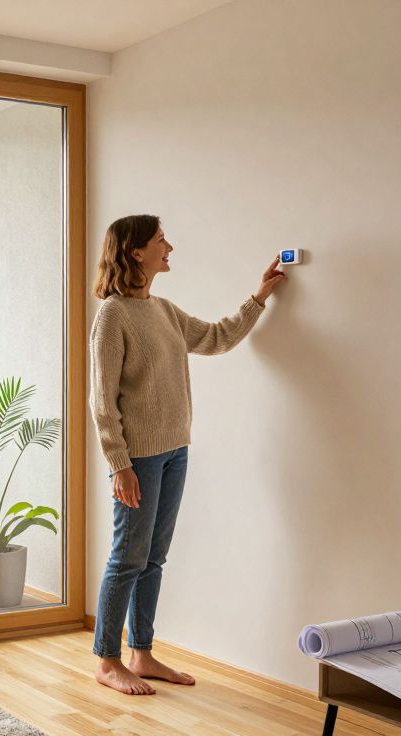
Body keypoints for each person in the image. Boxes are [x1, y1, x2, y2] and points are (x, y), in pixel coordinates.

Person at [88, 215, 286, 696]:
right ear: (137, 252)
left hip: (176, 450)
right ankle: (108, 660)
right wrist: (120, 465)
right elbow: (101, 399)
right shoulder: (112, 315)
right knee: (127, 558)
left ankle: (143, 652)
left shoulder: (163, 310)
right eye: (161, 241)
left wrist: (258, 298)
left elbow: (217, 337)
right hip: (139, 459)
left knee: (153, 559)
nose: (169, 247)